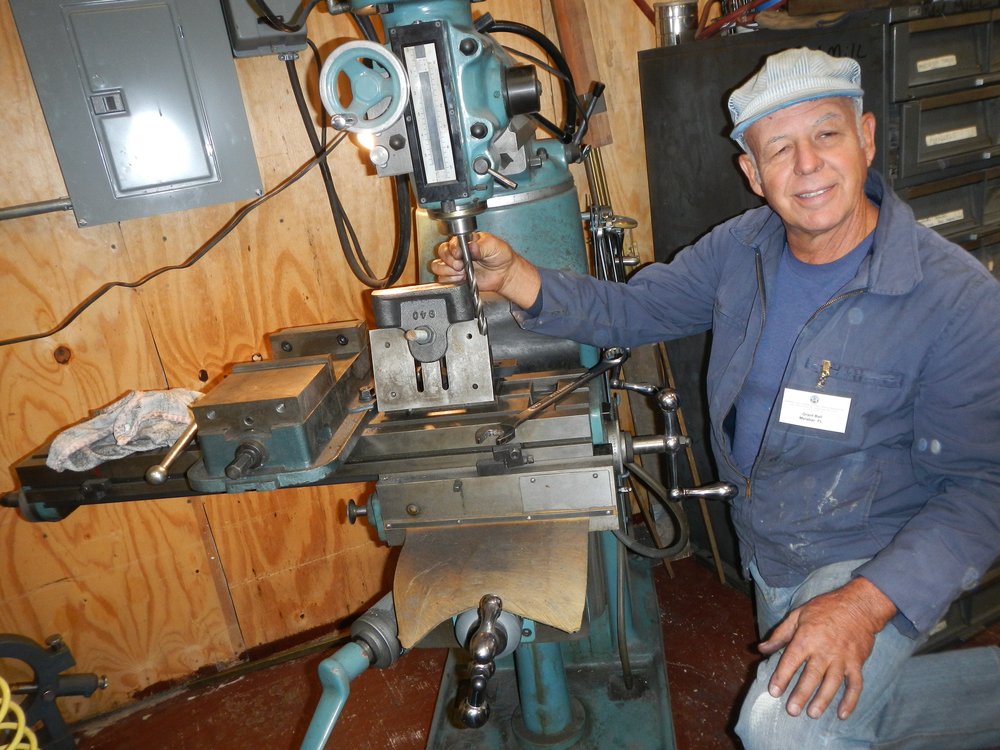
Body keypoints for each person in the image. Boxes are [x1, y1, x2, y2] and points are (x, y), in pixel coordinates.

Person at [433, 48, 1000, 749]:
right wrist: (515, 275)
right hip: (767, 540)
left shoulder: (956, 298)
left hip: (872, 553)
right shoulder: (743, 249)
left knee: (780, 729)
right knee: (842, 716)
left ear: (867, 139)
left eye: (827, 134)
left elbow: (984, 489)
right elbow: (634, 311)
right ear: (752, 174)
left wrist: (860, 604)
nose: (809, 165)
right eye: (779, 149)